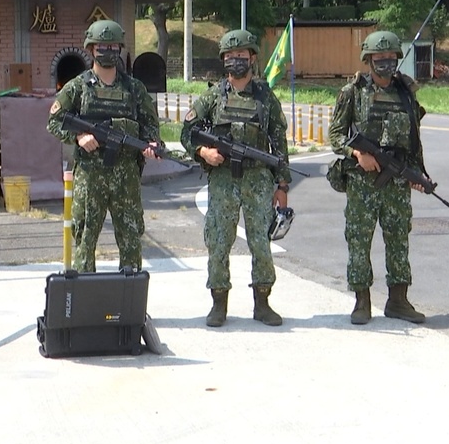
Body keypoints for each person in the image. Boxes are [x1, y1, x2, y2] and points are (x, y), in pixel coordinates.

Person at [180, 29, 292, 327]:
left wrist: (282, 185)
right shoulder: (213, 96)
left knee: (260, 242)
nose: (235, 61)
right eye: (229, 57)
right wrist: (204, 152)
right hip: (223, 180)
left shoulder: (266, 97)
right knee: (219, 240)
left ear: (253, 58)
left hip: (258, 181)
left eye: (241, 56)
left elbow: (279, 144)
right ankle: (219, 304)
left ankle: (263, 303)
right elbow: (186, 132)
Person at [328, 30, 429, 325]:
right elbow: (335, 135)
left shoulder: (406, 93)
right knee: (359, 239)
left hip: (396, 182)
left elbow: (414, 139)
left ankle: (398, 300)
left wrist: (417, 172)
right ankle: (362, 301)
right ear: (368, 60)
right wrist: (358, 154)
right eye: (379, 58)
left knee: (398, 239)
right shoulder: (353, 92)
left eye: (390, 58)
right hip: (363, 182)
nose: (385, 63)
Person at [46, 19, 162, 273]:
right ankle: (86, 302)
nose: (107, 52)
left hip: (127, 175)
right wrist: (78, 137)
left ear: (120, 48)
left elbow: (149, 125)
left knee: (131, 239)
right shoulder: (78, 88)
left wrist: (152, 144)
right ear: (91, 49)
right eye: (102, 47)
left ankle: (130, 300)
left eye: (112, 46)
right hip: (90, 175)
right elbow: (54, 122)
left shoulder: (134, 89)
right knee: (85, 239)